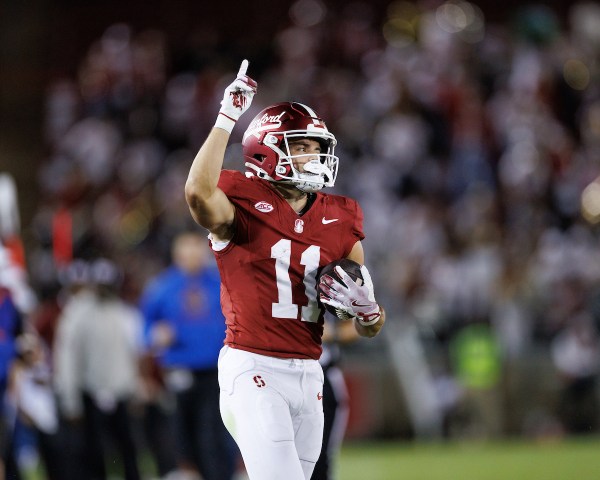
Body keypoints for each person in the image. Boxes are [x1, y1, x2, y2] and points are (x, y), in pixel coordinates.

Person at [184, 60, 385, 480]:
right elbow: (198, 194)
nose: (315, 155)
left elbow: (364, 326)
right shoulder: (240, 198)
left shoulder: (341, 217)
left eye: (317, 147)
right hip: (253, 367)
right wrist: (227, 117)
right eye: (301, 146)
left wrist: (369, 313)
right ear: (266, 150)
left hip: (310, 373)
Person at [139, 231, 237, 480]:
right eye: (187, 249)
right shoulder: (161, 287)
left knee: (213, 432)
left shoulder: (219, 283)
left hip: (216, 370)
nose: (192, 255)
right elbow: (145, 328)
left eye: (196, 249)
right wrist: (155, 336)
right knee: (181, 432)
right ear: (176, 254)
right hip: (179, 369)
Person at [53, 258, 143, 480]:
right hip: (89, 392)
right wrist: (70, 400)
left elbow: (133, 353)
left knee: (129, 450)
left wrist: (135, 388)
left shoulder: (123, 312)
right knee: (92, 454)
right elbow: (68, 358)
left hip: (121, 392)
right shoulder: (77, 312)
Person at [312, 315, 359, 480]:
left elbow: (357, 327)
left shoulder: (329, 290)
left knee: (320, 456)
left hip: (322, 378)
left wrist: (332, 332)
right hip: (281, 376)